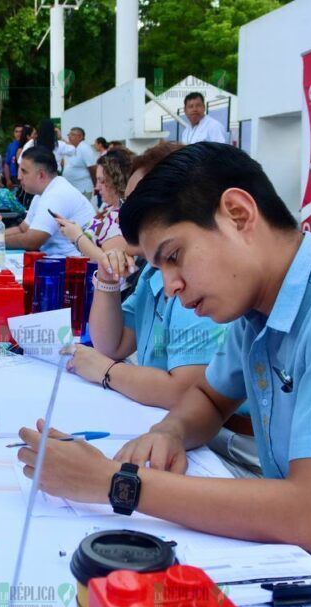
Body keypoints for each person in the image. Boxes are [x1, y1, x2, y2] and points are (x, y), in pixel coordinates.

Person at [17, 142, 311, 578]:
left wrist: (114, 482)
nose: (172, 285)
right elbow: (210, 398)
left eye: (175, 256)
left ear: (238, 214)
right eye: (160, 269)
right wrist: (170, 431)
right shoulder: (260, 308)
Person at [59, 142, 259, 477]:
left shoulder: (199, 282)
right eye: (128, 204)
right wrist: (107, 279)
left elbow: (184, 389)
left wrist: (108, 372)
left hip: (227, 452)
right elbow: (115, 344)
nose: (130, 216)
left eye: (142, 203)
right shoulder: (158, 274)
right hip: (196, 441)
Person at [0, 146, 92, 258]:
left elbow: (32, 240)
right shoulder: (42, 193)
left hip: (72, 268)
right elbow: (23, 229)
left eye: (24, 172)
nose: (19, 177)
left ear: (41, 175)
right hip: (60, 261)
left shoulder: (56, 194)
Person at [55, 147, 137, 263]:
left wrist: (77, 237)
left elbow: (112, 263)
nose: (97, 187)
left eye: (102, 181)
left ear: (119, 181)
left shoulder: (124, 217)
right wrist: (73, 231)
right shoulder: (109, 208)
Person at [62, 127, 99, 200]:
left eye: (72, 134)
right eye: (69, 134)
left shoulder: (84, 148)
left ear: (80, 137)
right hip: (74, 188)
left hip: (83, 189)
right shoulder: (73, 148)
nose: (69, 136)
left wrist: (96, 185)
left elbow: (92, 168)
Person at [4, 124, 28, 189]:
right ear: (14, 133)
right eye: (16, 131)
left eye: (20, 132)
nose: (18, 134)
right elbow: (6, 164)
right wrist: (8, 180)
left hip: (25, 177)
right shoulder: (11, 146)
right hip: (13, 178)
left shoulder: (27, 145)